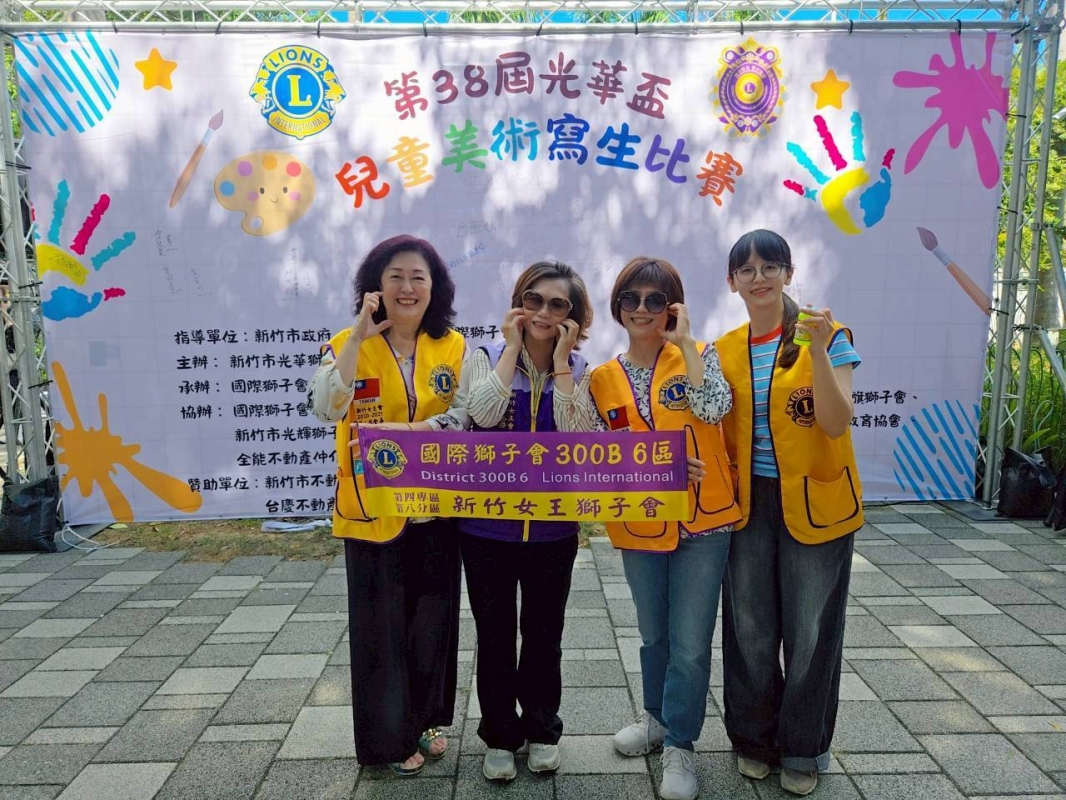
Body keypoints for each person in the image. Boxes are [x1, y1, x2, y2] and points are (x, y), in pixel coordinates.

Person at [560, 256, 740, 800]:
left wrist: (686, 345)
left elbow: (715, 408)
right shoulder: (602, 379)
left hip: (705, 523)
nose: (642, 309)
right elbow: (589, 450)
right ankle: (657, 719)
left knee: (690, 644)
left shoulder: (699, 354)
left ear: (673, 307)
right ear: (618, 307)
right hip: (640, 525)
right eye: (631, 299)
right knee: (653, 634)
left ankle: (681, 745)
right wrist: (654, 466)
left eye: (655, 300)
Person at [309, 234, 469, 776]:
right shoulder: (345, 343)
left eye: (418, 277)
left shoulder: (453, 346)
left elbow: (465, 416)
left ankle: (424, 721)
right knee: (380, 629)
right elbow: (326, 407)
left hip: (437, 509)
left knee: (432, 623)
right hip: (371, 511)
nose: (407, 287)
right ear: (375, 287)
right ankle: (386, 740)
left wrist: (410, 434)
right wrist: (358, 336)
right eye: (395, 276)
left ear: (434, 287)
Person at [716, 229, 863, 797]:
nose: (759, 278)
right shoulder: (724, 350)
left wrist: (819, 351)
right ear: (732, 282)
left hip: (816, 503)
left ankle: (803, 747)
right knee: (749, 628)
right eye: (747, 270)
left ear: (789, 273)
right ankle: (753, 741)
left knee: (811, 631)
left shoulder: (828, 334)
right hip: (748, 503)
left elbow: (835, 422)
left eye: (770, 266)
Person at [450, 260, 593, 781]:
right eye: (534, 300)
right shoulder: (485, 357)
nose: (543, 312)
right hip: (486, 529)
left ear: (573, 316)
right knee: (493, 635)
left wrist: (562, 365)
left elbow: (579, 438)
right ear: (519, 302)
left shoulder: (581, 369)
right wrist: (511, 350)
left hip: (554, 529)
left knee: (544, 635)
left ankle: (541, 728)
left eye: (558, 304)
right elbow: (482, 416)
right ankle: (498, 735)